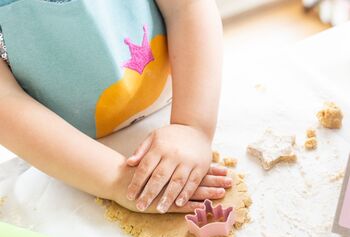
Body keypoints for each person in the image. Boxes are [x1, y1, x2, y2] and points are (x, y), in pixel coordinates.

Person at [0, 0, 232, 214]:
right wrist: (117, 179)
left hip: (180, 102)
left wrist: (192, 126)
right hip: (70, 153)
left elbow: (186, 7)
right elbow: (6, 101)